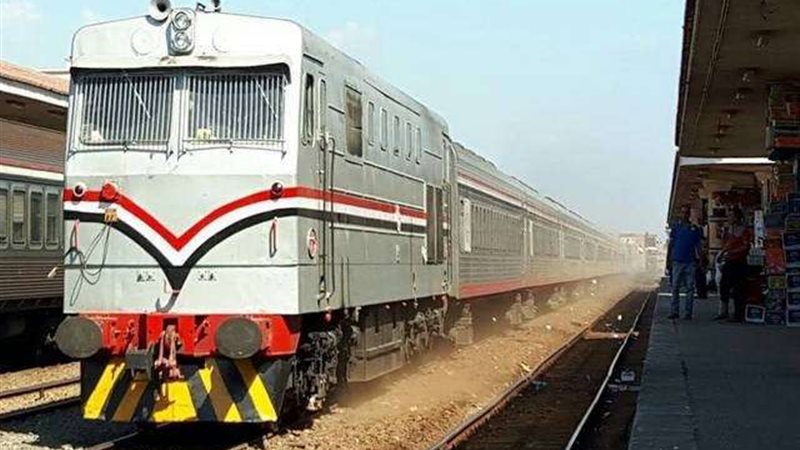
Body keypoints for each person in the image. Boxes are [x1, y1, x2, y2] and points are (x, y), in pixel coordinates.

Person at [715, 208, 752, 322]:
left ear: (737, 217)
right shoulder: (728, 230)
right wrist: (722, 253)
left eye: (731, 215)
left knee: (738, 289)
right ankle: (723, 311)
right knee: (723, 286)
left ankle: (738, 314)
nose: (729, 218)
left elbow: (745, 247)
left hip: (739, 262)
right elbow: (726, 245)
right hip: (729, 261)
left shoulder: (744, 231)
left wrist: (732, 252)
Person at [667, 205, 703, 320]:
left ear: (689, 215)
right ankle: (674, 312)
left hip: (690, 262)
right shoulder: (676, 228)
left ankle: (688, 313)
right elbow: (671, 245)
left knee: (690, 288)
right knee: (675, 287)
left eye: (686, 213)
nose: (684, 215)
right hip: (677, 261)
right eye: (683, 212)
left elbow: (698, 246)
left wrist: (701, 260)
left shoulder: (695, 229)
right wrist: (668, 260)